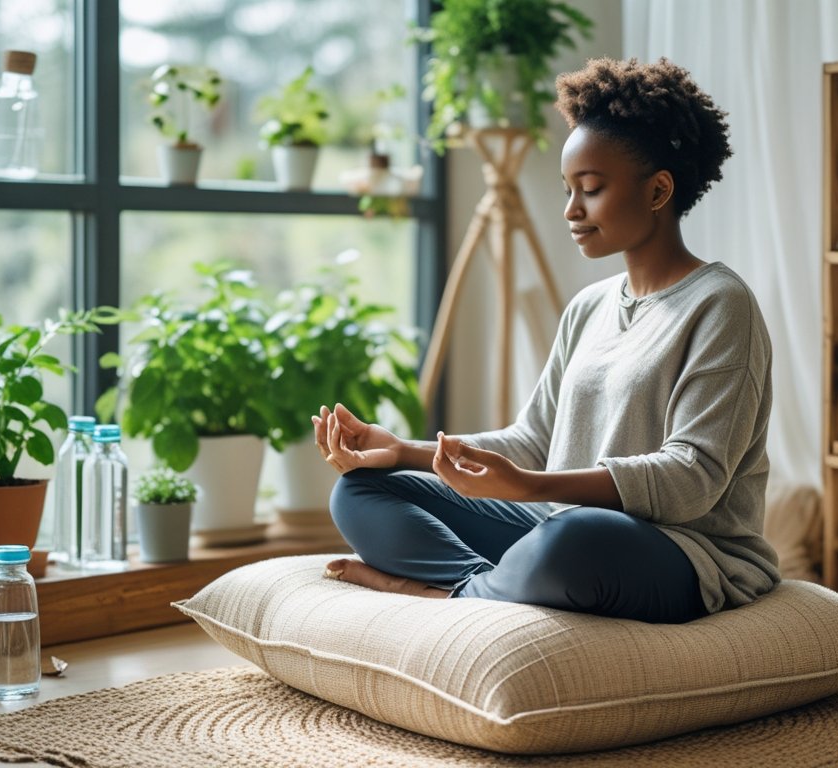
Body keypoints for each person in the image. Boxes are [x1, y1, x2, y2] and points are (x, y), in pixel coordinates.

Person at [312, 57, 778, 624]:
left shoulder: (721, 304)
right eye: (568, 190)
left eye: (591, 189)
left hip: (683, 555)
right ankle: (479, 590)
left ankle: (444, 594)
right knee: (363, 490)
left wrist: (531, 487)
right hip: (554, 525)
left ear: (658, 191)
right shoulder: (588, 307)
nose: (571, 211)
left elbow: (692, 480)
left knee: (573, 537)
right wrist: (403, 452)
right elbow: (532, 440)